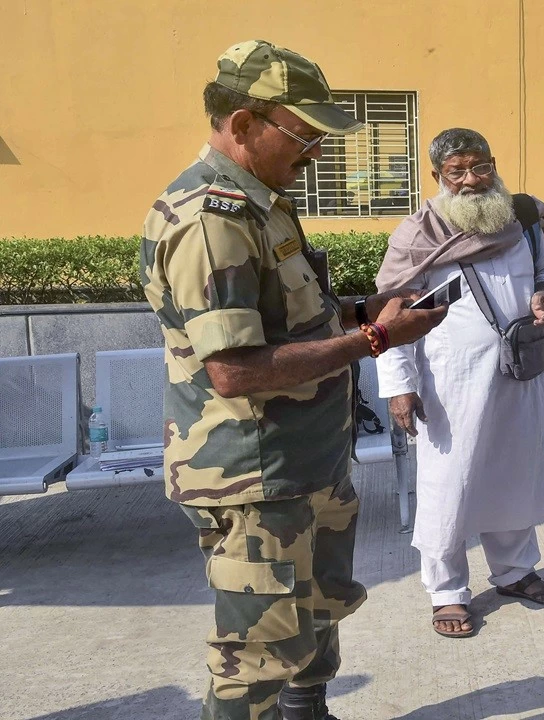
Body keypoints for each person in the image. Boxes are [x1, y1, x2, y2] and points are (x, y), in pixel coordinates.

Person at [141, 40, 447, 720]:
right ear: (245, 124)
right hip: (256, 476)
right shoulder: (211, 221)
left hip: (305, 462)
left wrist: (367, 312)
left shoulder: (263, 202)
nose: (313, 155)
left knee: (312, 617)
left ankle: (309, 710)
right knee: (255, 658)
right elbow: (233, 369)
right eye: (303, 136)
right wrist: (373, 341)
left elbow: (290, 317)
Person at [374, 128, 544, 638]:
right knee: (448, 483)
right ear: (437, 177)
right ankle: (447, 591)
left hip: (517, 372)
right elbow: (391, 318)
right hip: (450, 382)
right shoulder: (417, 235)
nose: (472, 180)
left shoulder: (521, 219)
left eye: (480, 168)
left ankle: (515, 572)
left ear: (494, 165)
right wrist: (398, 386)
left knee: (515, 471)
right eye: (457, 172)